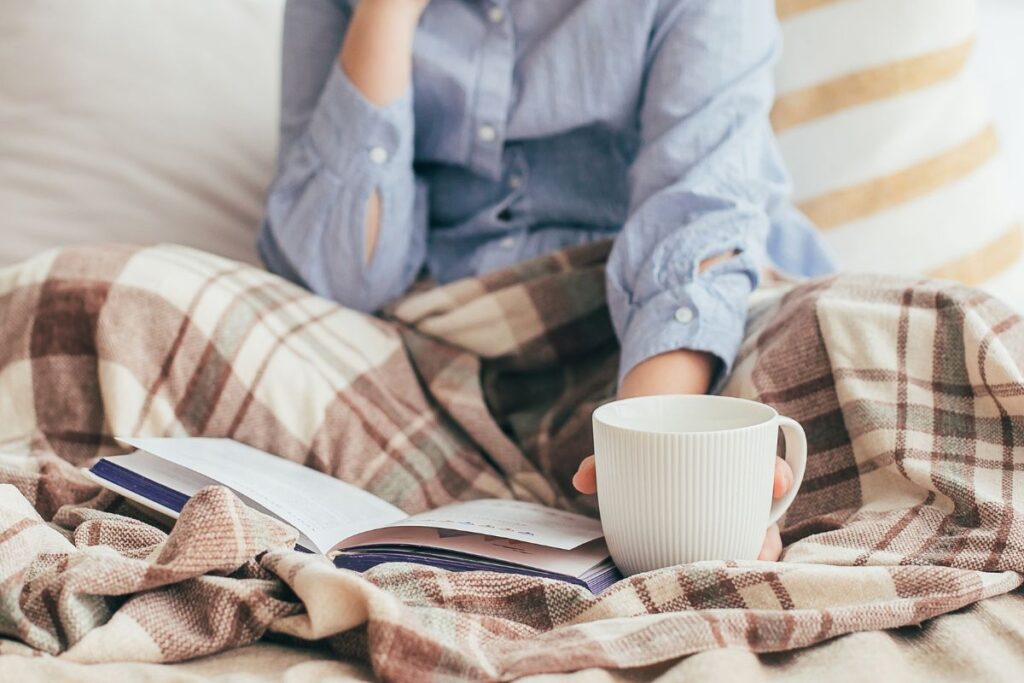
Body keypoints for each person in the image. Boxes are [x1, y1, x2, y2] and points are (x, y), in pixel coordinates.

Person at [259, 0, 837, 561]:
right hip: (443, 346)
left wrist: (655, 451)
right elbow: (341, 280)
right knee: (175, 294)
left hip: (657, 338)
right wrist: (385, 12)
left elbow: (697, 221)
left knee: (862, 328)